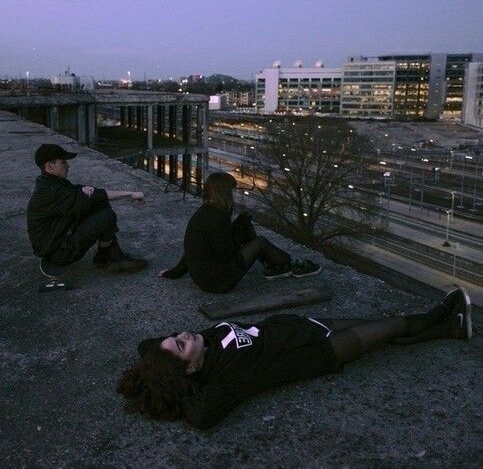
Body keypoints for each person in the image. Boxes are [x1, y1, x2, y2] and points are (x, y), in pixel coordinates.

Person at [117, 287, 472, 429]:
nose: (183, 335)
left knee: (382, 332)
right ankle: (444, 309)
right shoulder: (226, 376)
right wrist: (180, 386)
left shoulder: (204, 343)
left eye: (176, 336)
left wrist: (162, 360)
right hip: (317, 353)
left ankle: (450, 329)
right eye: (180, 346)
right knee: (392, 325)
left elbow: (146, 346)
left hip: (305, 326)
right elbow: (201, 415)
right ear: (191, 368)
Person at [159, 171, 319, 293]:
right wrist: (245, 240)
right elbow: (227, 254)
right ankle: (292, 263)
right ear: (225, 193)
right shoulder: (218, 217)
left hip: (205, 276)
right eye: (232, 191)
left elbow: (192, 248)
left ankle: (272, 264)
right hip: (216, 280)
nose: (234, 195)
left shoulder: (206, 212)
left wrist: (175, 273)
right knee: (260, 242)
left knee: (244, 222)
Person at [27, 143, 147, 279]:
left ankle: (106, 256)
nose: (68, 165)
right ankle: (109, 257)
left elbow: (85, 193)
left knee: (99, 205)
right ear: (50, 166)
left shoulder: (50, 182)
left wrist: (87, 189)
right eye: (63, 162)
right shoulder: (51, 192)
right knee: (106, 216)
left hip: (57, 242)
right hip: (57, 253)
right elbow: (97, 195)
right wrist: (131, 194)